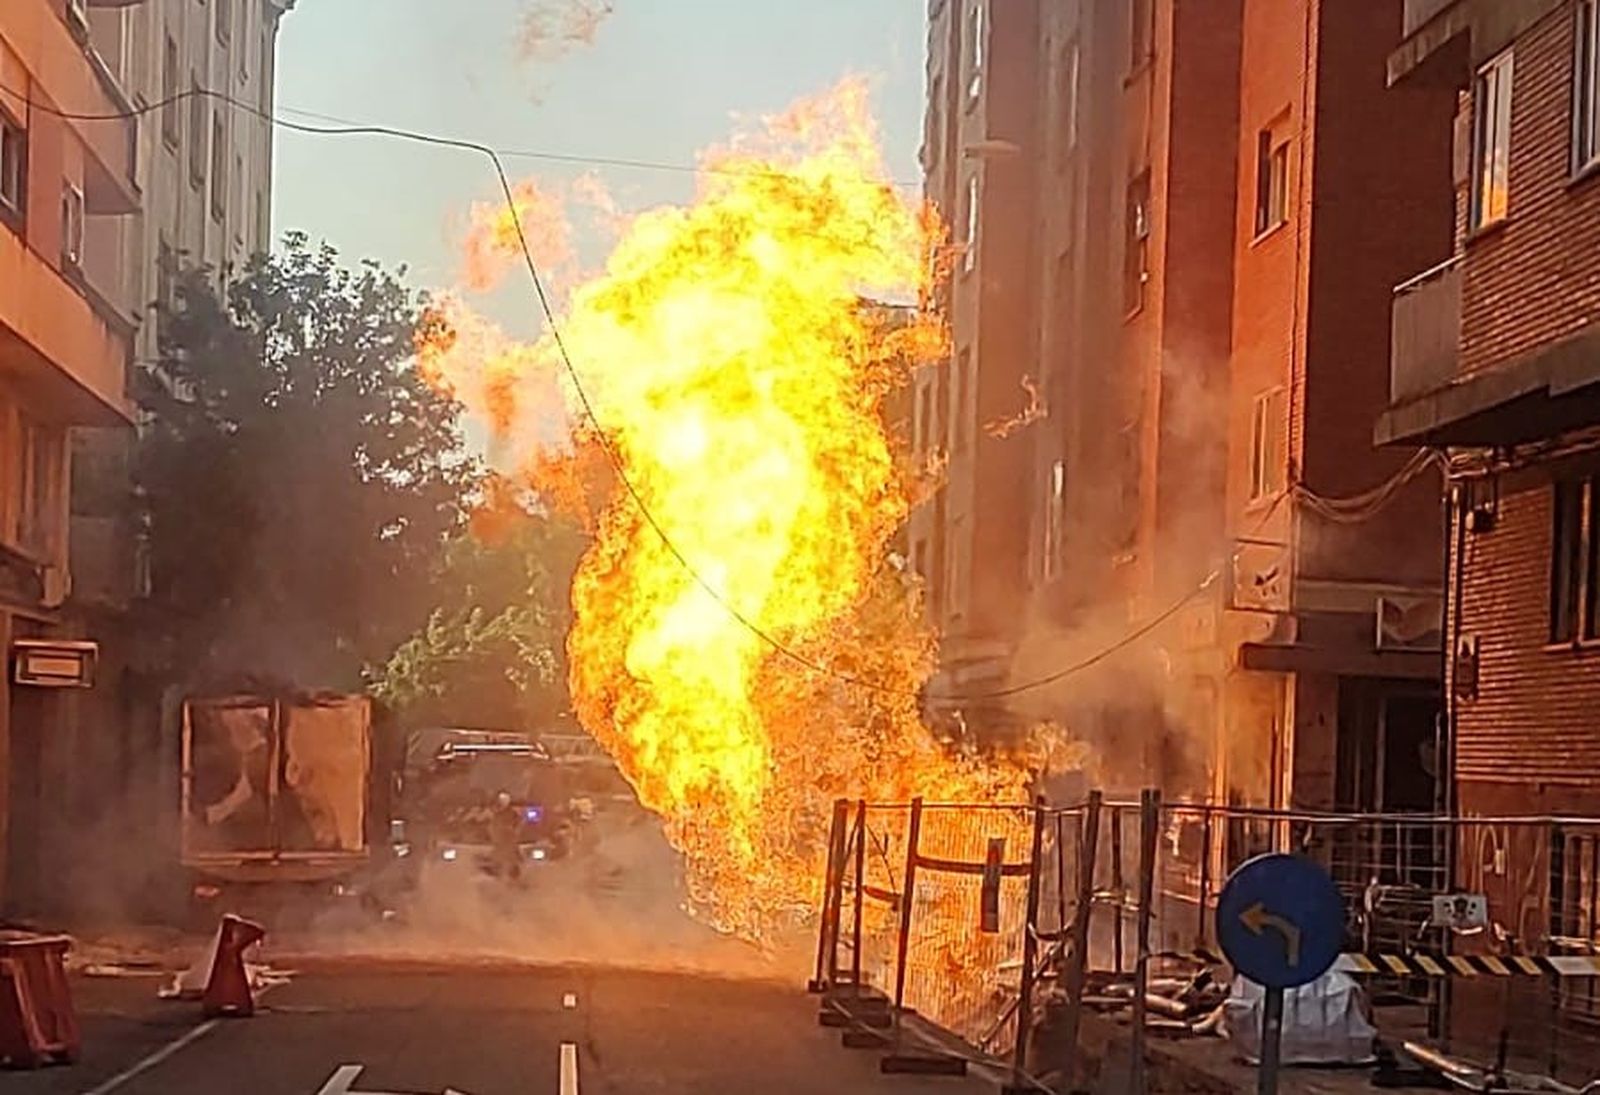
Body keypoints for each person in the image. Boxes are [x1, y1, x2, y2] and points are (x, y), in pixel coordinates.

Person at [488, 790, 523, 883]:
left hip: (507, 844)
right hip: (499, 844)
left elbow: (517, 826)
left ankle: (515, 880)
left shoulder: (513, 814)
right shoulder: (494, 813)